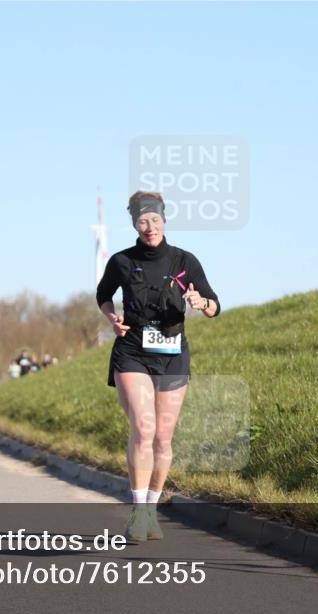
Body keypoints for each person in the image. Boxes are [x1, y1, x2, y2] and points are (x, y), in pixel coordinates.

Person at [96, 191, 221, 543]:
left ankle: (151, 509)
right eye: (141, 221)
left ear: (164, 220)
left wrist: (201, 301)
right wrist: (112, 319)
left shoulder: (184, 261)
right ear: (134, 223)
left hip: (172, 353)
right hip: (133, 351)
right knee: (144, 427)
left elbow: (215, 305)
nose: (148, 227)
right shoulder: (122, 261)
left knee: (163, 439)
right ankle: (137, 512)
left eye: (154, 220)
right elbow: (103, 294)